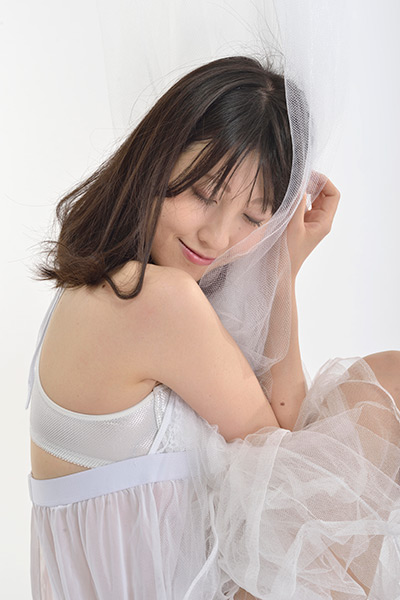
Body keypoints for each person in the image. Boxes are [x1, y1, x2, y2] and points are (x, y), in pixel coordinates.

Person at [27, 56, 400, 599]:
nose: (217, 238)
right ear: (156, 157)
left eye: (253, 218)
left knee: (383, 381)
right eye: (203, 194)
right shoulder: (157, 301)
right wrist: (282, 271)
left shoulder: (89, 288)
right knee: (388, 385)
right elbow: (287, 465)